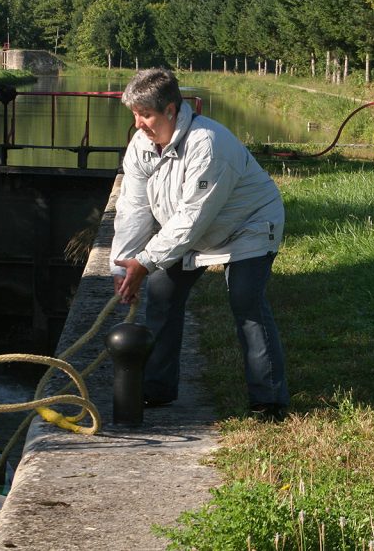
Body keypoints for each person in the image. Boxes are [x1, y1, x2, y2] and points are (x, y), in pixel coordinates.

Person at [109, 68, 289, 421]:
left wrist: (146, 261)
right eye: (134, 115)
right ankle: (157, 389)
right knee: (162, 294)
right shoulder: (141, 145)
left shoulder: (208, 144)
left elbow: (193, 219)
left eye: (146, 115)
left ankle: (269, 400)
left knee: (245, 300)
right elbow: (133, 206)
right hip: (191, 230)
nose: (139, 123)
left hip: (248, 226)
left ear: (172, 111)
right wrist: (125, 263)